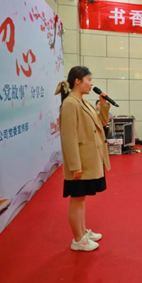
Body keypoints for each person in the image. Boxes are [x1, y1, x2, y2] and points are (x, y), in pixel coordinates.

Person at [57, 66, 110, 252]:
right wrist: (75, 165)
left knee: (81, 199)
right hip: (80, 163)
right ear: (77, 81)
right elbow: (68, 138)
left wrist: (103, 105)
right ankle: (78, 239)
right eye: (88, 80)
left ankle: (82, 232)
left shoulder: (84, 103)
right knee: (77, 199)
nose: (91, 84)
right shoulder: (70, 104)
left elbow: (102, 123)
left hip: (89, 161)